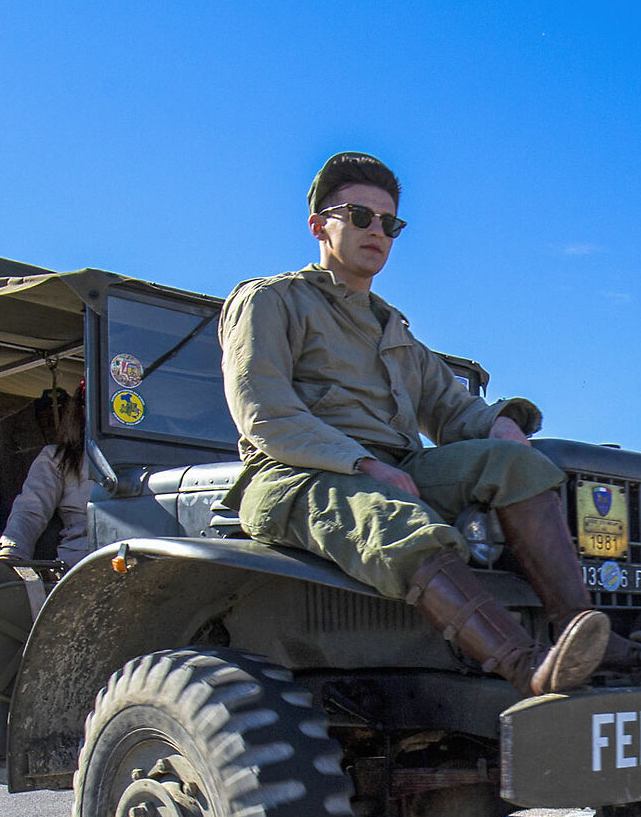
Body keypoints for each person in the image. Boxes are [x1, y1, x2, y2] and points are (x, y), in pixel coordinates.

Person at [219, 152, 614, 696]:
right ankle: (527, 667)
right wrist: (361, 462)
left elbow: (454, 411)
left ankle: (583, 638)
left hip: (396, 467)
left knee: (516, 465)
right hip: (297, 474)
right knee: (393, 519)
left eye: (390, 223)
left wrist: (502, 429)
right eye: (360, 216)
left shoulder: (394, 329)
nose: (377, 231)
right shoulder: (271, 301)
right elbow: (265, 412)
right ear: (318, 225)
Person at [0, 385, 89, 562]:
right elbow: (30, 510)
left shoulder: (152, 455)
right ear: (83, 410)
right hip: (86, 560)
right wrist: (11, 551)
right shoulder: (59, 458)